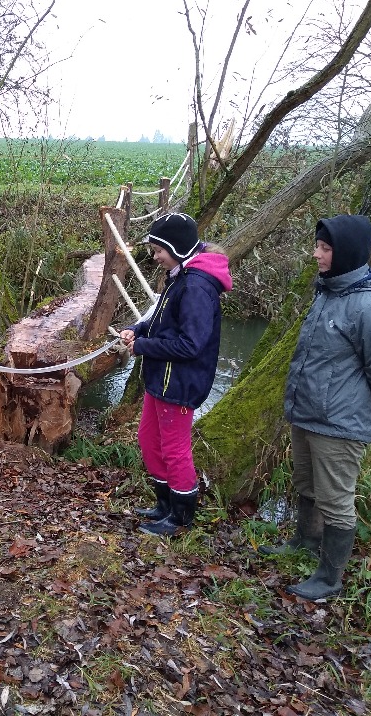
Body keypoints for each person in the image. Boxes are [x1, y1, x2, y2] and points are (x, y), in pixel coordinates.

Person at [265, 214, 371, 601]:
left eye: (325, 249)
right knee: (306, 484)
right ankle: (305, 542)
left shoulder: (370, 307)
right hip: (308, 412)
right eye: (318, 246)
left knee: (336, 501)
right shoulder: (327, 291)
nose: (316, 255)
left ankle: (329, 578)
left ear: (346, 254)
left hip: (340, 422)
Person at [118, 212, 233, 536]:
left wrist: (143, 347)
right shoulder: (179, 275)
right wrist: (135, 329)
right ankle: (164, 503)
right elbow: (161, 321)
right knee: (148, 438)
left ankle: (181, 517)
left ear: (176, 247)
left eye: (158, 250)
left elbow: (190, 345)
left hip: (180, 383)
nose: (154, 257)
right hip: (161, 379)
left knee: (174, 448)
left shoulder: (196, 286)